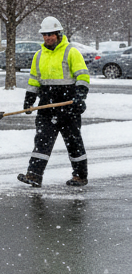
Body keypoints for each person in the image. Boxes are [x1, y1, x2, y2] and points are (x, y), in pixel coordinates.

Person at [17, 16, 91, 188]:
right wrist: (29, 100)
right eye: (45, 35)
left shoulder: (71, 52)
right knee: (42, 140)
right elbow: (34, 80)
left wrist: (80, 97)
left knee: (73, 142)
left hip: (68, 105)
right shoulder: (39, 55)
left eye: (50, 34)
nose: (47, 38)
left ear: (58, 34)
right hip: (46, 106)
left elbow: (82, 76)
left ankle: (80, 175)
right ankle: (34, 175)